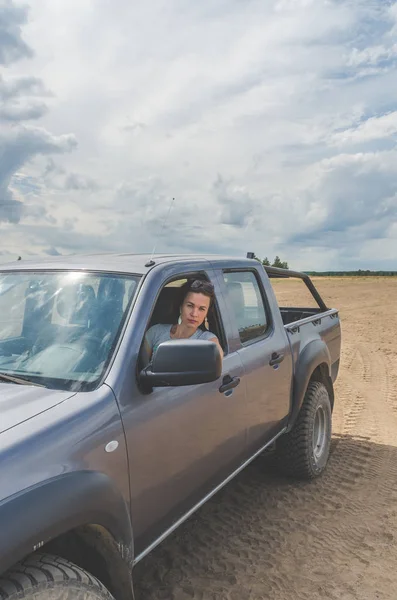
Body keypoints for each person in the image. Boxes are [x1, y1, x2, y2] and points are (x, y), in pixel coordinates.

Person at [144, 279, 223, 363]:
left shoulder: (207, 340)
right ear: (181, 306)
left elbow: (218, 361)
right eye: (190, 306)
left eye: (201, 309)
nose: (194, 314)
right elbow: (138, 368)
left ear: (207, 313)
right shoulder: (155, 332)